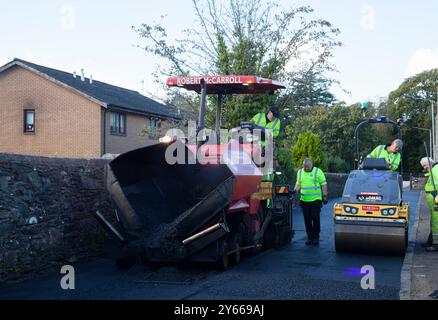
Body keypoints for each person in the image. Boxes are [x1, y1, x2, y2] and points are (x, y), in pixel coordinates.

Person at [294, 158, 328, 246]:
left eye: (307, 167)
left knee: (315, 217)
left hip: (316, 200)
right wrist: (294, 191)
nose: (306, 169)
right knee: (307, 220)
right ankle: (310, 237)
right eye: (304, 167)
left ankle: (316, 236)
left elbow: (323, 184)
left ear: (311, 165)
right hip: (304, 200)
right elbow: (298, 183)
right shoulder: (300, 172)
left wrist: (325, 196)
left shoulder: (318, 171)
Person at [420, 157, 438, 251]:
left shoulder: (436, 169)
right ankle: (431, 241)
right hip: (434, 201)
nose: (424, 168)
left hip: (436, 200)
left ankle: (436, 245)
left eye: (425, 165)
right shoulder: (433, 170)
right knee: (433, 221)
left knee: (436, 223)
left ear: (429, 163)